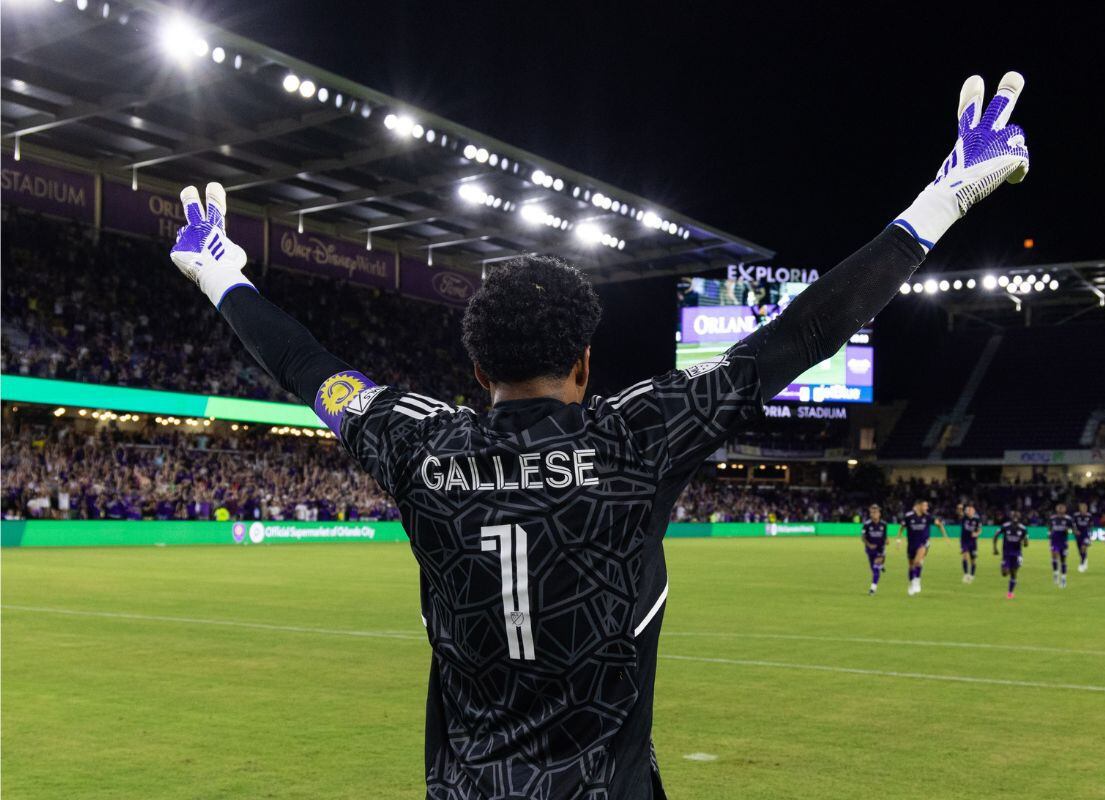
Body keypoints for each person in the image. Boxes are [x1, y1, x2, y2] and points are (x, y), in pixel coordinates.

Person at [165, 71, 1029, 798]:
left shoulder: (417, 447)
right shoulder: (636, 436)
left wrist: (220, 277)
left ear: (476, 370)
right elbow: (802, 335)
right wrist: (942, 196)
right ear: (584, 362)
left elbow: (309, 369)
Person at [898, 499, 949, 596]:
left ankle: (917, 580)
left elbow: (939, 524)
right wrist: (898, 540)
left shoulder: (928, 516)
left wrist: (945, 536)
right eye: (925, 506)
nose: (927, 508)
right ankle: (912, 583)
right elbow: (902, 527)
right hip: (911, 544)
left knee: (917, 561)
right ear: (919, 506)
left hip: (923, 543)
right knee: (911, 566)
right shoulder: (909, 516)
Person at [993, 510, 1029, 599]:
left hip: (1017, 554)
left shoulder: (1023, 529)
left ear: (1019, 518)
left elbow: (1026, 543)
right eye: (1014, 516)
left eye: (1017, 516)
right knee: (1004, 573)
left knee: (1013, 573)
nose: (1015, 518)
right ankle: (1006, 567)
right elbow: (996, 535)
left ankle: (1010, 593)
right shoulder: (1005, 526)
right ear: (1011, 517)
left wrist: (1025, 542)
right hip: (1007, 553)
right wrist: (995, 548)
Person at [862, 503, 888, 595]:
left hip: (880, 549)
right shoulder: (867, 524)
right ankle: (881, 565)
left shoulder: (884, 524)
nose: (874, 514)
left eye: (876, 512)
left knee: (875, 570)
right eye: (872, 512)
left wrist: (886, 540)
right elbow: (863, 537)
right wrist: (869, 545)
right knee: (873, 568)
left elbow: (885, 536)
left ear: (879, 513)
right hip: (870, 550)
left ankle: (873, 589)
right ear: (870, 513)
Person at [1046, 503, 1073, 588]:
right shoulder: (1052, 519)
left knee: (1063, 560)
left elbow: (1071, 530)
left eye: (1062, 509)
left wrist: (1068, 530)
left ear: (1064, 510)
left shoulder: (1068, 519)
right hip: (1055, 542)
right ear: (1057, 510)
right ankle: (1056, 574)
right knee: (1054, 557)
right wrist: (1049, 535)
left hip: (1063, 542)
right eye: (1059, 509)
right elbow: (1049, 528)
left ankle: (1063, 579)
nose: (1061, 510)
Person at [959, 502, 982, 584]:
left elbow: (979, 530)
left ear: (973, 511)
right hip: (964, 540)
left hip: (973, 542)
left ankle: (972, 575)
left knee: (973, 560)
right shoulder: (964, 518)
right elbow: (960, 514)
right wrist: (960, 508)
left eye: (971, 510)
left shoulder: (977, 519)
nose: (969, 511)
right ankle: (965, 574)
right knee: (965, 556)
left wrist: (976, 534)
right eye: (968, 510)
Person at [1072, 501, 1093, 572]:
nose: (1084, 509)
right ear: (1080, 508)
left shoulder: (1089, 516)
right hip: (1078, 534)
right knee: (1080, 550)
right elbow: (1073, 524)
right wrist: (1075, 531)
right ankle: (1085, 559)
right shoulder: (1076, 515)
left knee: (1083, 547)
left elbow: (1091, 525)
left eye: (1085, 508)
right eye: (1082, 508)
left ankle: (1082, 563)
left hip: (1086, 534)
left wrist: (1090, 535)